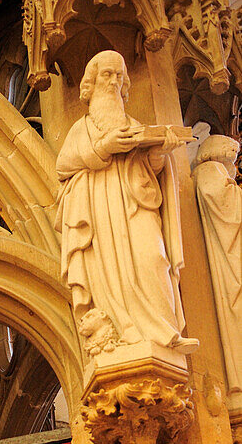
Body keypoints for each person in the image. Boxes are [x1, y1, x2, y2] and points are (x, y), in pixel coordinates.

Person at [55, 50, 198, 356]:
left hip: (135, 205)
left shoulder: (134, 124)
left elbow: (150, 171)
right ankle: (122, 333)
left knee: (153, 258)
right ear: (91, 83)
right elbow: (64, 166)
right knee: (109, 273)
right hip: (99, 212)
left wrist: (160, 153)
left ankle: (164, 332)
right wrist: (103, 148)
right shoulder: (82, 128)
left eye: (119, 76)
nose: (113, 82)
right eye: (106, 74)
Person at [193, 134, 242, 396]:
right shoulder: (210, 171)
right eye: (232, 155)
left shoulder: (218, 173)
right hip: (229, 258)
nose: (234, 163)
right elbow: (220, 200)